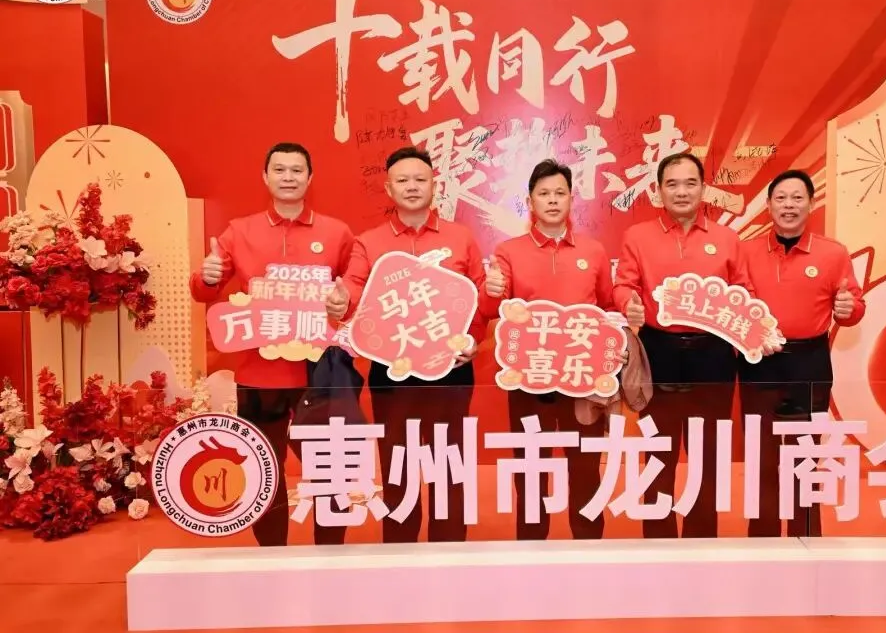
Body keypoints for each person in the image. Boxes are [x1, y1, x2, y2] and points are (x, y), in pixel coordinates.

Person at [190, 142, 355, 547]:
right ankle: (272, 554)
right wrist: (207, 276)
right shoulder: (239, 231)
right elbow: (204, 289)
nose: (288, 177)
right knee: (264, 468)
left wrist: (345, 300)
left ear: (310, 178)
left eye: (296, 170)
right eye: (279, 170)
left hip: (321, 372)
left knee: (329, 464)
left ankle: (331, 553)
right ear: (265, 177)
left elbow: (354, 289)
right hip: (259, 372)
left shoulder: (337, 233)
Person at [326, 146, 486, 544]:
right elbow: (354, 287)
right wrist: (341, 302)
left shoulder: (461, 238)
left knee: (450, 465)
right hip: (392, 371)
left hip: (450, 368)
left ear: (434, 184)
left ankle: (450, 550)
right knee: (399, 465)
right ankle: (398, 551)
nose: (412, 186)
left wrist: (472, 340)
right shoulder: (369, 242)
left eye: (420, 179)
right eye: (402, 180)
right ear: (388, 188)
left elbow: (478, 296)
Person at [612, 152, 777, 539]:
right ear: (658, 191)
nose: (682, 192)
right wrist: (627, 302)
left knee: (709, 453)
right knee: (658, 452)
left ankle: (702, 541)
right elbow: (623, 285)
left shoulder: (726, 239)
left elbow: (744, 292)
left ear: (704, 189)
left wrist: (759, 329)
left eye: (690, 183)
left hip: (712, 355)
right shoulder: (638, 236)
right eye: (672, 184)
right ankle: (658, 540)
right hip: (658, 352)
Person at [479, 158, 614, 540]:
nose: (552, 200)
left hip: (582, 380)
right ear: (529, 202)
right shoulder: (509, 251)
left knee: (585, 466)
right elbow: (491, 309)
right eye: (544, 194)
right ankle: (530, 550)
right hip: (529, 379)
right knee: (531, 469)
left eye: (560, 193)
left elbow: (608, 308)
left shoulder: (594, 251)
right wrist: (490, 291)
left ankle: (589, 547)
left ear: (571, 199)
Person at [739, 169, 865, 537]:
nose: (789, 205)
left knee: (805, 456)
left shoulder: (833, 253)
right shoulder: (746, 251)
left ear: (811, 204)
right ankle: (761, 539)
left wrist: (849, 309)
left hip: (809, 361)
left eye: (797, 198)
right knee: (762, 456)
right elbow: (735, 305)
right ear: (768, 205)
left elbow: (854, 306)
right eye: (781, 198)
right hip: (759, 362)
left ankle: (806, 538)